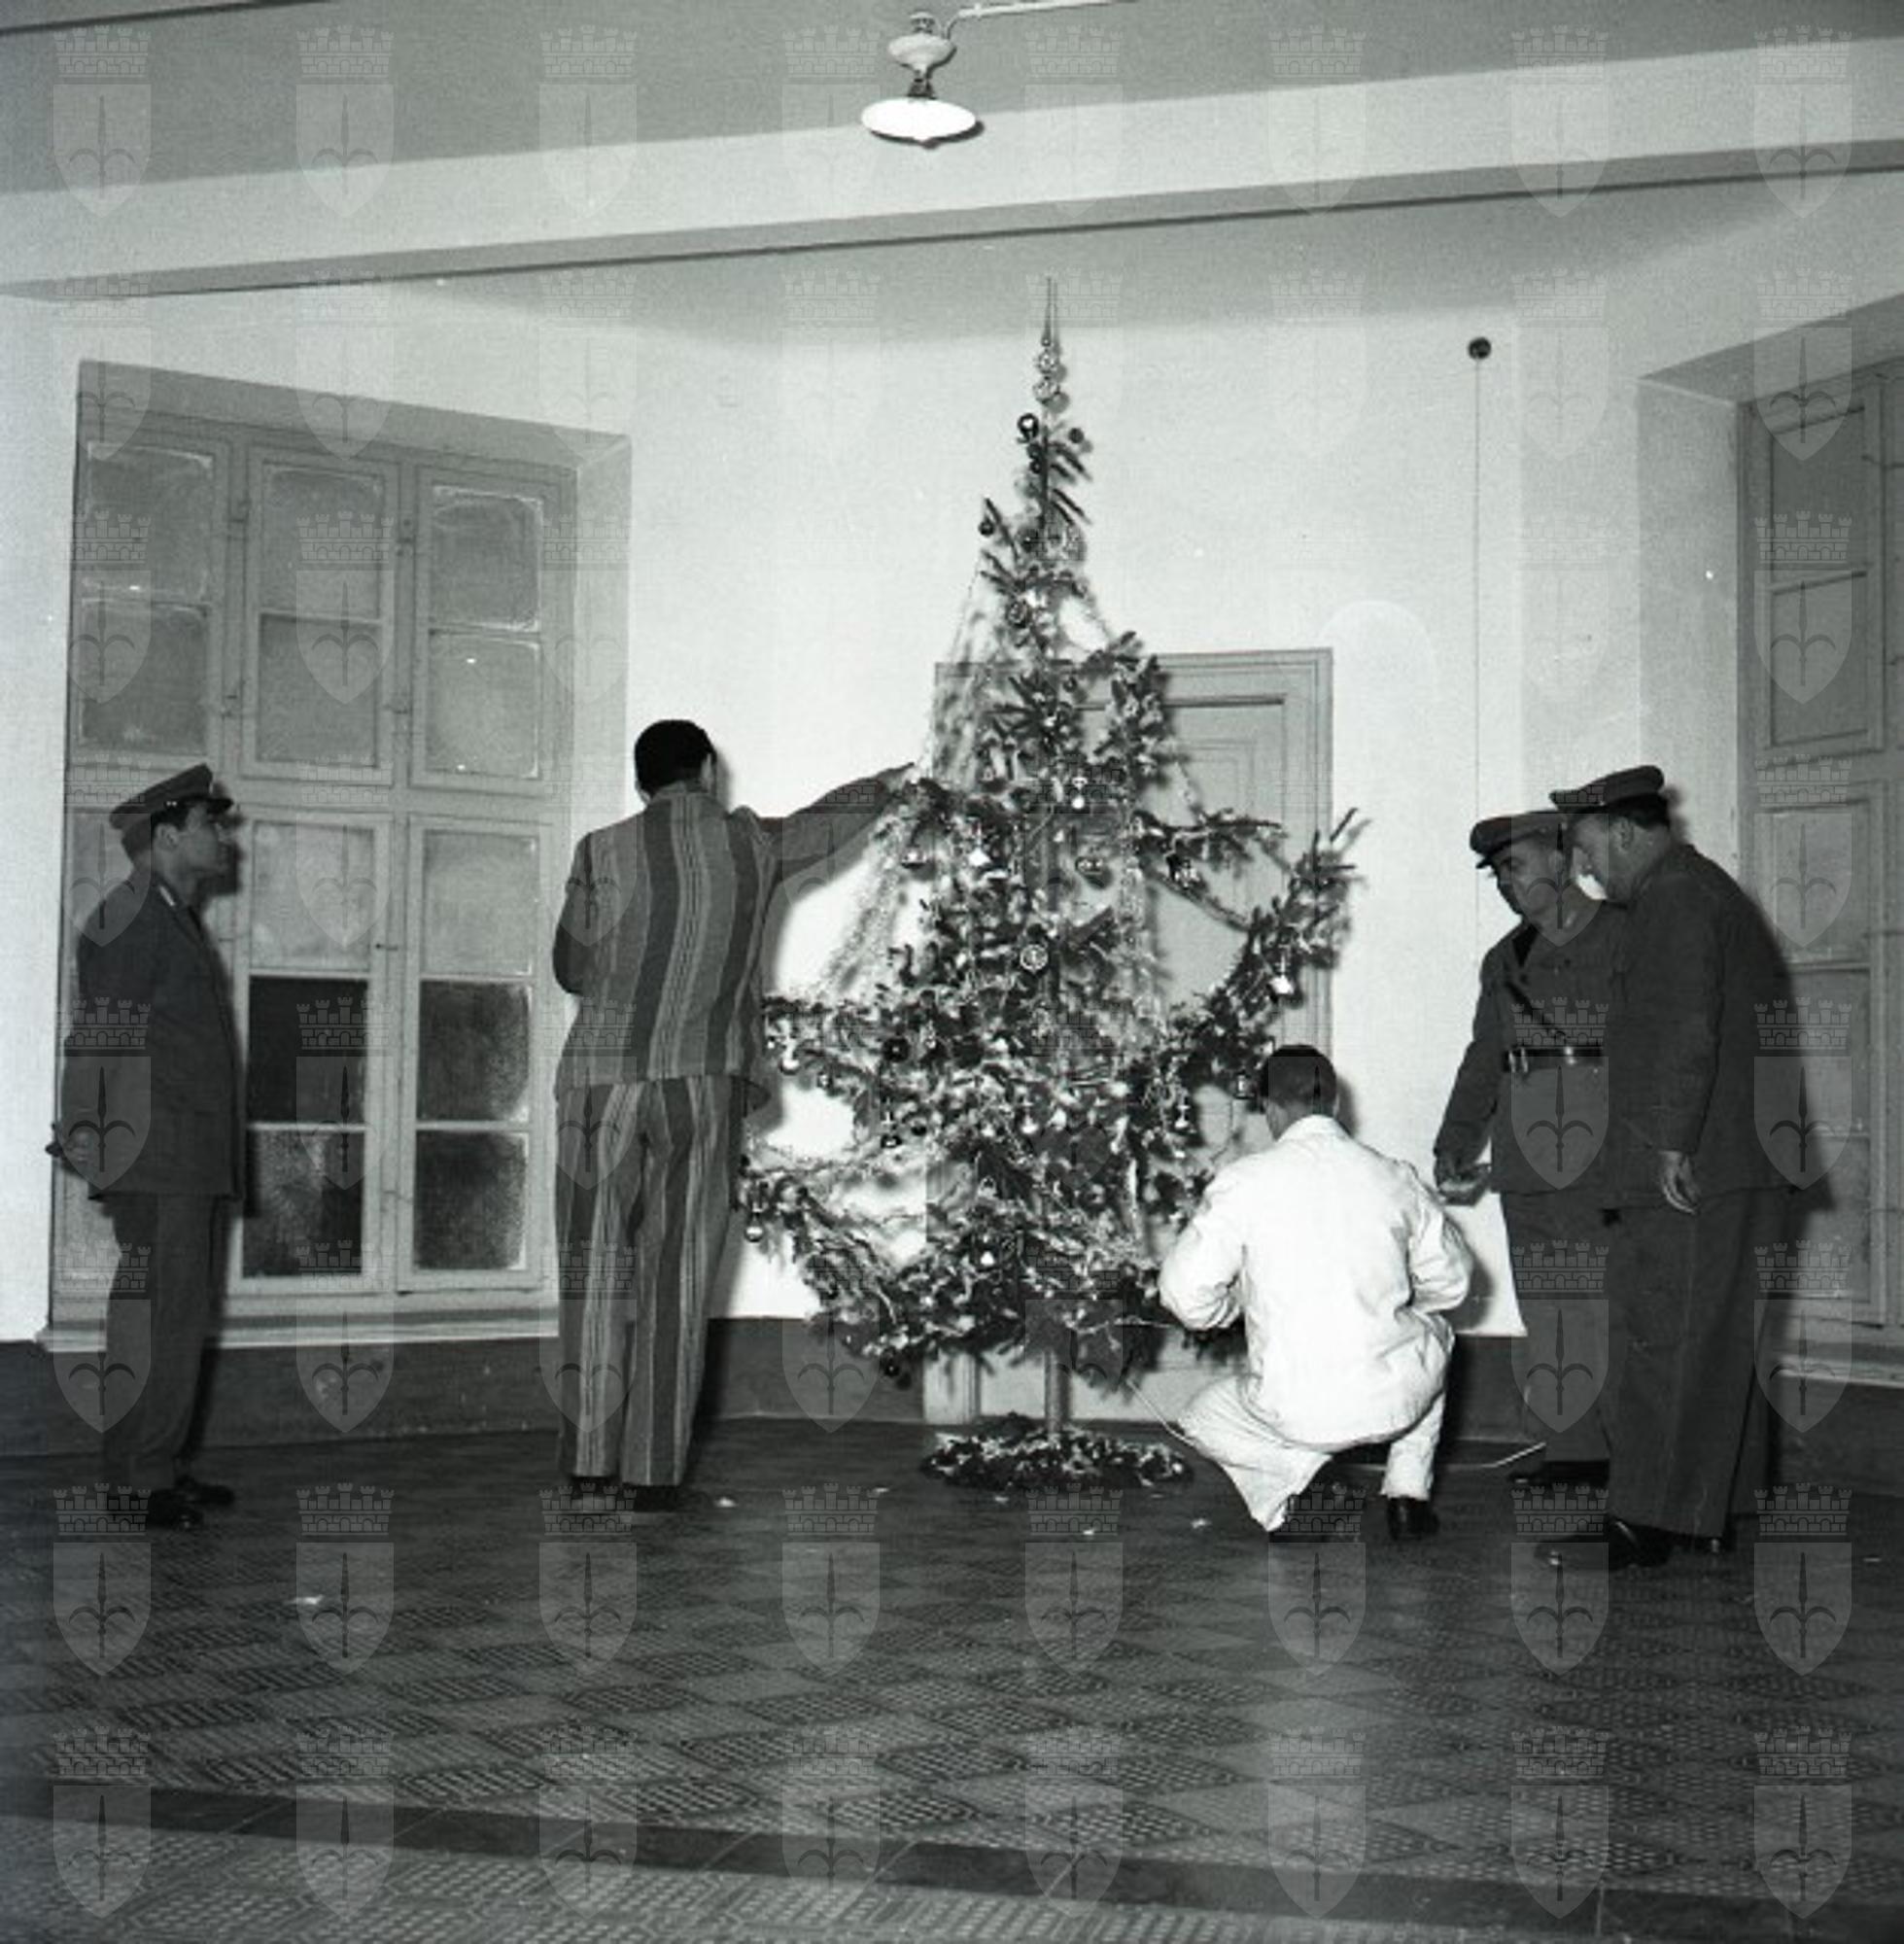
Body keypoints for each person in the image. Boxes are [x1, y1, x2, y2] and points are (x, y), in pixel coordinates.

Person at [551, 720, 908, 1511]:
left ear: (641, 781)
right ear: (707, 771)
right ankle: (651, 1476)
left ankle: (587, 1467)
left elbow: (570, 968)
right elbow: (827, 823)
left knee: (595, 1269)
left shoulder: (599, 851)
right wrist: (884, 786)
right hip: (703, 1084)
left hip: (599, 1089)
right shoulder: (750, 844)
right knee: (677, 1277)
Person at [1540, 765, 1791, 1572]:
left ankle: (1642, 1520)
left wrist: (1668, 1145)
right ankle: (1705, 1513)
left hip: (1691, 1160)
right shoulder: (1698, 888)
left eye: (1586, 851)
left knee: (1661, 1334)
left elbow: (1683, 1029)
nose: (1583, 871)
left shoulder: (1674, 899)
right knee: (1713, 1340)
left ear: (1622, 832)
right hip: (1736, 1157)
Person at [1159, 1046, 1472, 1542]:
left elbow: (1183, 1296)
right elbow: (1453, 1284)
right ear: (1337, 1103)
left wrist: (1234, 1307)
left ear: (1270, 1108)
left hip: (1294, 1412)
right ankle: (1408, 1494)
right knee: (1439, 1335)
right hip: (1396, 1401)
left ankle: (1298, 1485)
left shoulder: (1243, 1182)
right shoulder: (1394, 1175)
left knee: (1199, 1418)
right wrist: (1399, 1306)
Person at [55, 765, 243, 1533]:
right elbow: (102, 1034)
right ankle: (138, 1478)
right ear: (168, 836)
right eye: (210, 824)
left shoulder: (165, 913)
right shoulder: (133, 917)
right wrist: (89, 1135)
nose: (223, 837)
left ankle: (157, 1463)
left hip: (183, 1153)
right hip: (159, 1153)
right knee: (158, 1316)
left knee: (174, 1314)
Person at [1435, 811, 1623, 1486]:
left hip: (1605, 1155)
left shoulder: (1626, 936)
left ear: (1562, 859)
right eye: (1496, 874)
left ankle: (1632, 1460)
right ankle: (1574, 1453)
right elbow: (1483, 1057)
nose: (1505, 884)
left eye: (1514, 866)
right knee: (1548, 1309)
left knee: (1609, 1308)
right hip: (1526, 1161)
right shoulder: (1504, 959)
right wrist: (1455, 1141)